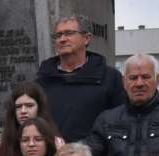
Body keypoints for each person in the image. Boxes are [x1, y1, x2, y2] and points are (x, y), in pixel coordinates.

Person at [35, 14, 126, 142]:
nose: (62, 39)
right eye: (58, 35)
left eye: (69, 33)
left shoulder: (110, 78)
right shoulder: (42, 81)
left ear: (87, 38)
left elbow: (121, 123)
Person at [0, 82, 63, 156]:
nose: (23, 111)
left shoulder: (57, 144)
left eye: (29, 106)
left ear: (39, 108)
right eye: (18, 107)